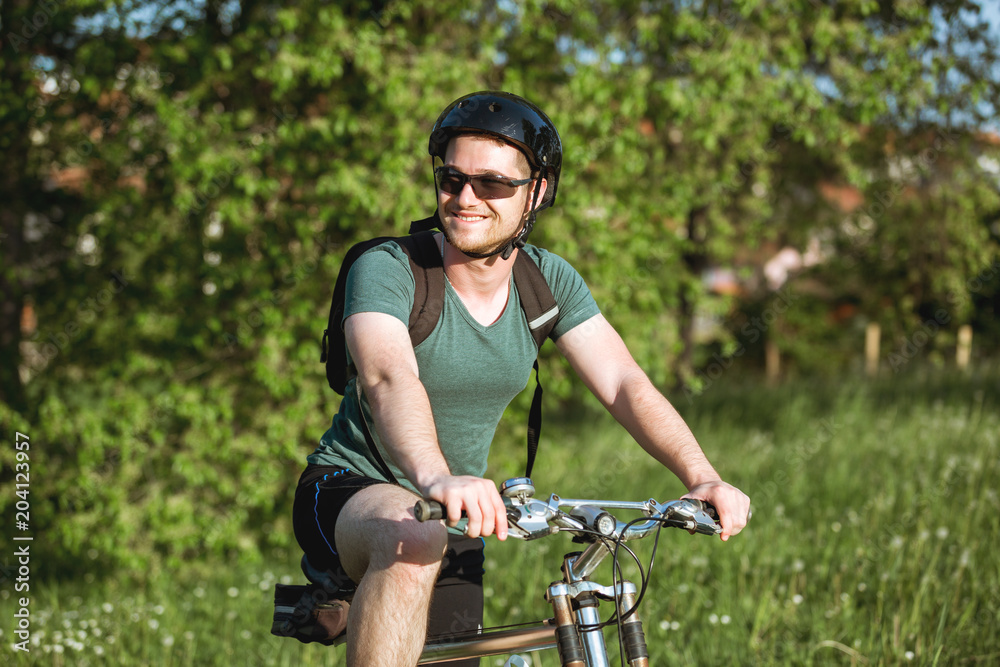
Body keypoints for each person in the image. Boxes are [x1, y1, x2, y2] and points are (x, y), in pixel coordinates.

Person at [292, 91, 751, 667]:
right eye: (452, 178)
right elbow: (388, 376)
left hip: (452, 513)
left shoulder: (546, 282)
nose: (465, 198)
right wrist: (436, 477)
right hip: (351, 488)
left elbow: (623, 382)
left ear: (536, 193)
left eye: (492, 184)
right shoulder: (389, 268)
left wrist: (702, 477)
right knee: (413, 538)